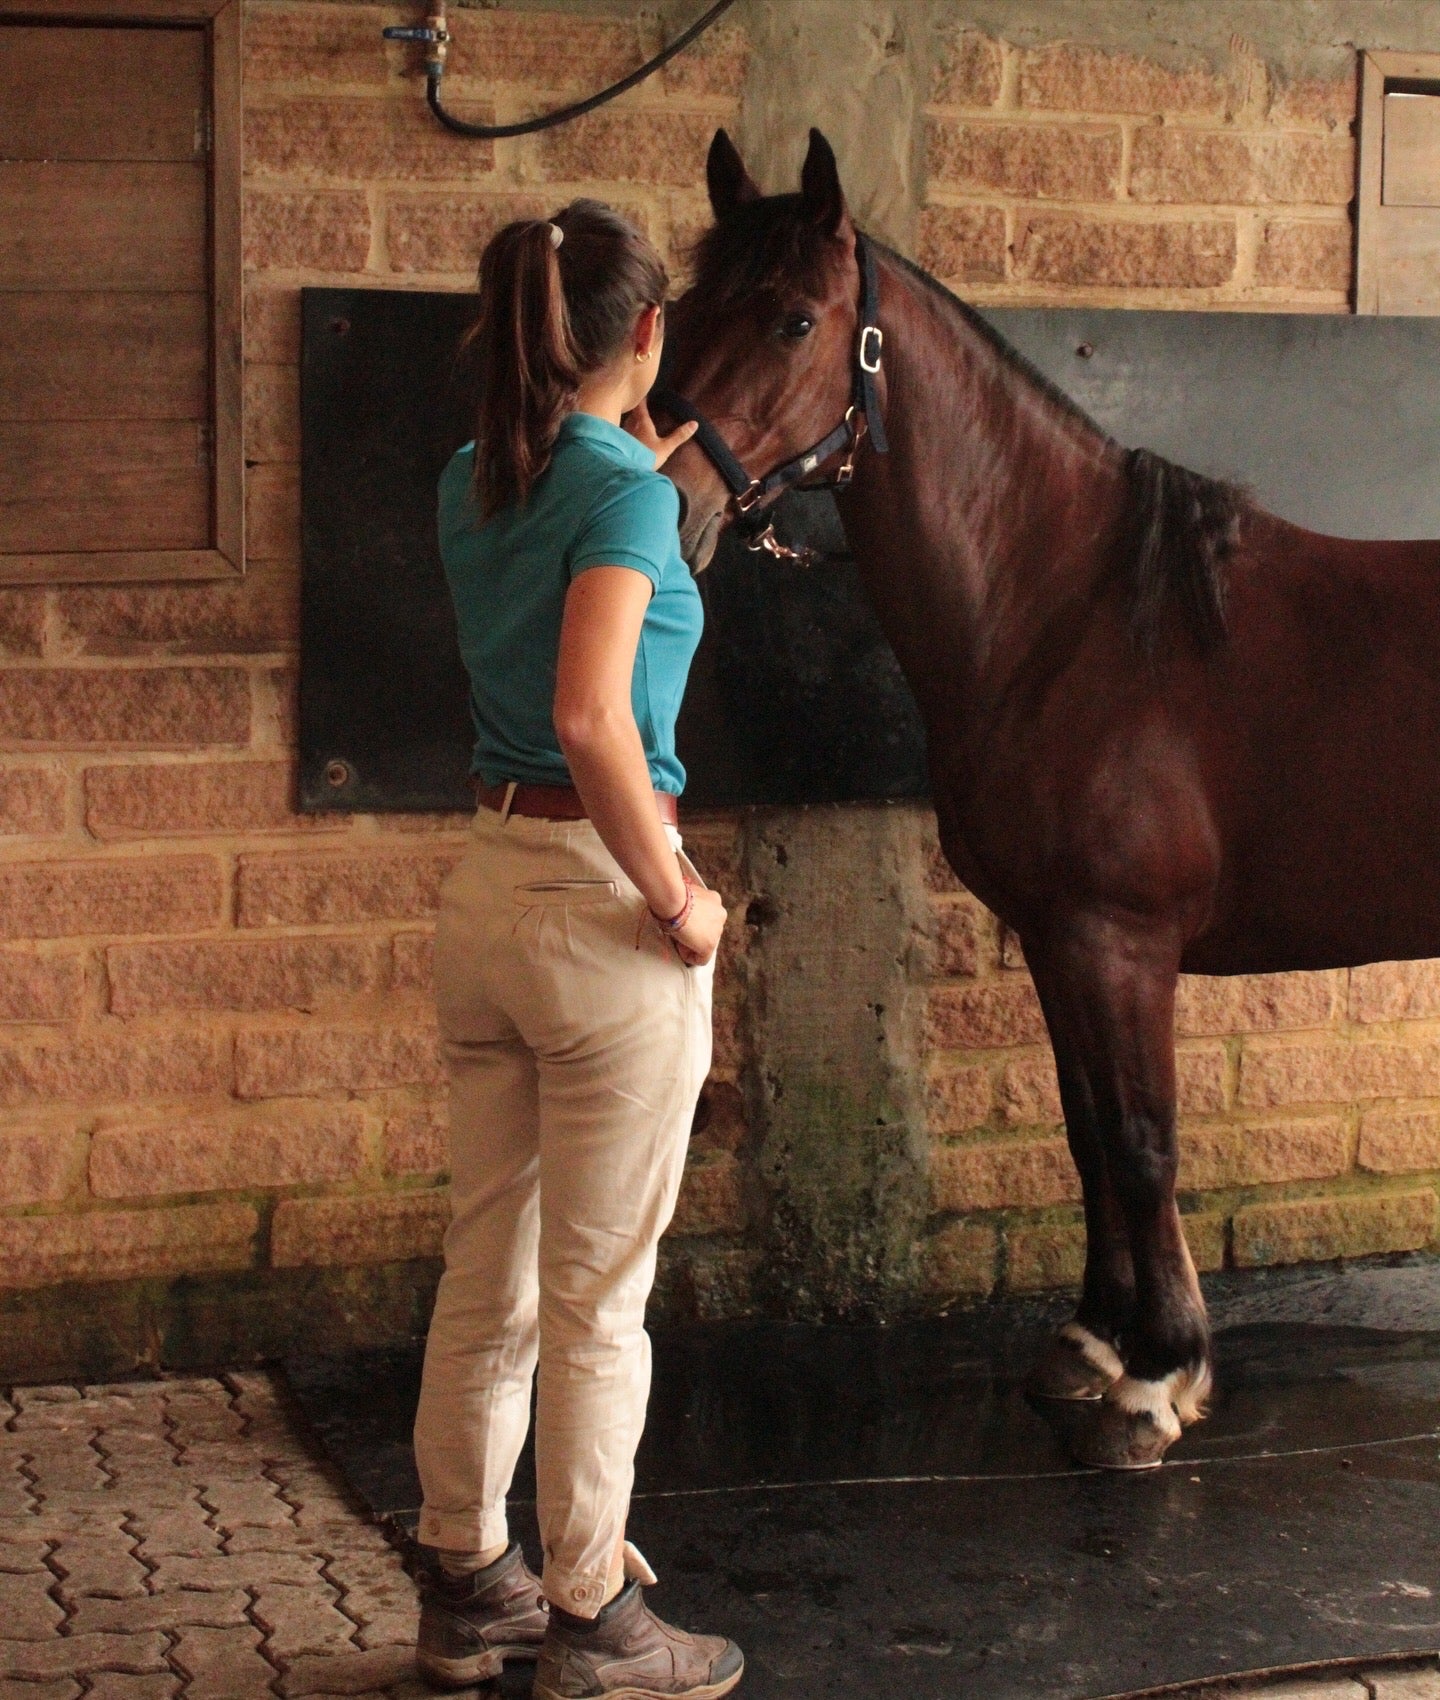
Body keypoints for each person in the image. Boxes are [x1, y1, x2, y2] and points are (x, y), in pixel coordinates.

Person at [411, 199, 743, 1700]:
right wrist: (679, 899)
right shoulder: (627, 501)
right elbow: (595, 715)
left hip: (487, 893)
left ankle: (465, 1575)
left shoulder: (472, 478)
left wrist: (637, 477)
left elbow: (567, 545)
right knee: (601, 1298)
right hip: (599, 913)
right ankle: (597, 1616)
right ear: (648, 336)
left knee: (489, 1267)